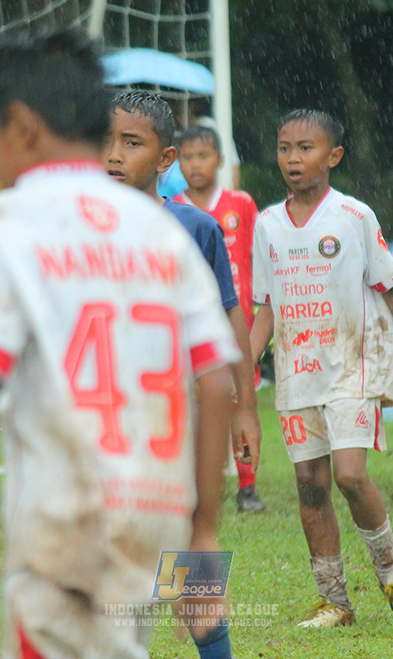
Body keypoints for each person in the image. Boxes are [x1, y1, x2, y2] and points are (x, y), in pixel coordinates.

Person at [0, 28, 240, 659]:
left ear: (21, 128)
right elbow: (217, 378)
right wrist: (206, 525)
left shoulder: (4, 221)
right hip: (157, 505)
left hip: (67, 508)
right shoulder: (162, 230)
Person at [248, 109, 393, 628]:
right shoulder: (266, 226)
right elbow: (266, 307)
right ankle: (334, 600)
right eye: (285, 147)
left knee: (350, 476)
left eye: (306, 148)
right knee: (310, 484)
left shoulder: (355, 217)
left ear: (333, 156)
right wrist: (242, 364)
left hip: (353, 367)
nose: (293, 158)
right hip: (296, 373)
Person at [103, 90, 264, 508]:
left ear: (165, 159)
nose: (114, 155)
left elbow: (230, 316)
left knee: (189, 525)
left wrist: (245, 407)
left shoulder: (196, 228)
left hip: (180, 408)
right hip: (104, 412)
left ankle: (196, 576)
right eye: (105, 141)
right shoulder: (79, 230)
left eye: (132, 143)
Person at [173, 124, 266, 511]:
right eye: (188, 156)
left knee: (236, 401)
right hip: (191, 329)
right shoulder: (172, 208)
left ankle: (246, 486)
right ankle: (195, 487)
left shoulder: (240, 204)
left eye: (204, 156)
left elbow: (256, 256)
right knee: (198, 406)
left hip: (235, 321)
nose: (196, 164)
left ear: (220, 161)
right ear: (175, 161)